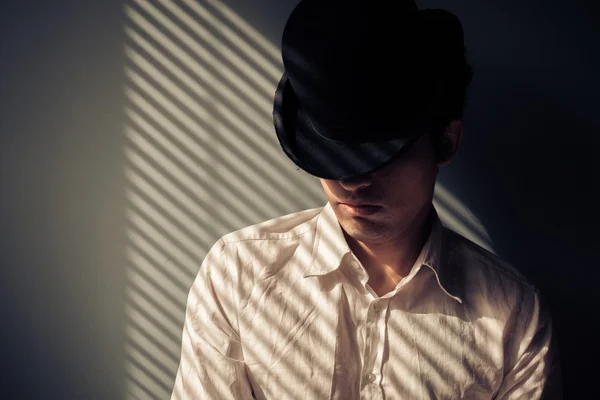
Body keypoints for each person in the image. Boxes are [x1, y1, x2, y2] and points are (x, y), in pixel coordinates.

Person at [171, 0, 562, 398]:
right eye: (332, 157)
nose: (351, 183)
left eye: (383, 157)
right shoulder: (237, 276)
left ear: (445, 142)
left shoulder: (513, 316)